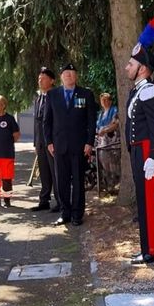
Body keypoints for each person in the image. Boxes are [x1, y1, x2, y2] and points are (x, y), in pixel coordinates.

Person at [125, 40, 154, 265]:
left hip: (147, 155)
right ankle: (146, 248)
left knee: (150, 204)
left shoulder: (149, 91)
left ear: (142, 68)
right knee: (143, 202)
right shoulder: (139, 90)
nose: (127, 68)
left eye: (130, 64)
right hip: (139, 154)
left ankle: (152, 251)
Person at [43, 63, 97, 227]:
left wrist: (89, 142)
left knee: (79, 182)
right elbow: (47, 121)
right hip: (59, 146)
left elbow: (91, 121)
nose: (69, 75)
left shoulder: (85, 94)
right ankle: (65, 213)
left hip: (79, 146)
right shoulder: (52, 95)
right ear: (61, 77)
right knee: (62, 181)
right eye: (66, 73)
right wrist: (49, 143)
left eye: (72, 73)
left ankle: (77, 214)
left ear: (76, 76)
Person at [32, 66, 60, 212]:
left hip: (52, 141)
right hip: (40, 142)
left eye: (43, 78)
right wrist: (36, 142)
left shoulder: (56, 96)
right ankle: (44, 200)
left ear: (52, 80)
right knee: (44, 171)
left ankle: (60, 201)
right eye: (39, 78)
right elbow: (37, 122)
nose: (40, 81)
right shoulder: (38, 98)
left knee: (55, 171)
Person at [94, 92, 121, 192]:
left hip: (112, 141)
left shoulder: (115, 110)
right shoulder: (100, 113)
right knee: (104, 164)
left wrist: (104, 130)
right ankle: (109, 184)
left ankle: (116, 184)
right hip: (102, 143)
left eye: (106, 100)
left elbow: (115, 125)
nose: (104, 102)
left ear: (110, 101)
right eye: (102, 100)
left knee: (114, 163)